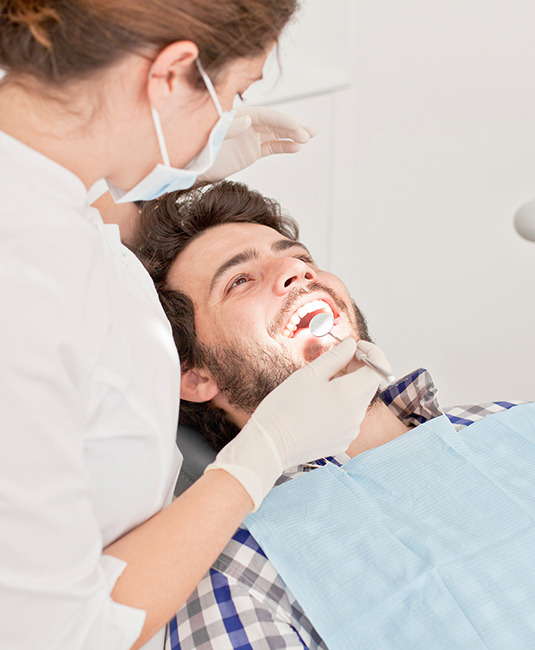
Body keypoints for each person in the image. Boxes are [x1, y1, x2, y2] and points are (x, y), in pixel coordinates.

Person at [0, 4, 387, 649]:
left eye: (296, 258)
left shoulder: (32, 175)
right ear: (174, 72)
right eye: (233, 91)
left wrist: (175, 166)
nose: (293, 276)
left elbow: (83, 224)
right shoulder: (22, 310)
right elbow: (59, 633)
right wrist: (258, 456)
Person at [134, 181, 523, 649]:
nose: (297, 273)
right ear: (195, 376)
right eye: (240, 280)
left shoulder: (512, 427)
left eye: (300, 257)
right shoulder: (236, 572)